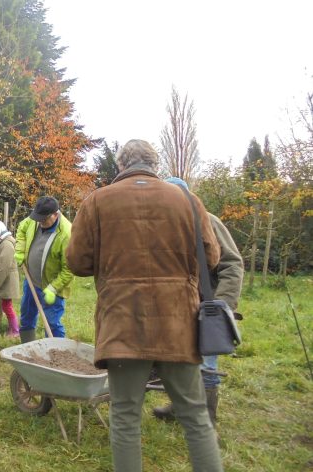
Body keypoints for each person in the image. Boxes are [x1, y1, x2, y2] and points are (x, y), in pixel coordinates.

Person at [66, 139, 223, 472]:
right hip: (178, 324)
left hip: (123, 322)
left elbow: (77, 262)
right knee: (195, 414)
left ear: (120, 166)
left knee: (125, 415)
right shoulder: (187, 201)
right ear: (155, 165)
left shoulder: (96, 202)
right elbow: (211, 257)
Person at [153, 177, 244, 426]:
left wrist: (223, 304)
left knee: (207, 364)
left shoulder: (208, 221)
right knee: (178, 360)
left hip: (207, 308)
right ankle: (178, 407)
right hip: (177, 306)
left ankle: (207, 422)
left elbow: (232, 264)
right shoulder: (166, 224)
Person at [14, 196, 73, 342]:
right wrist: (20, 250)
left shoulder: (67, 234)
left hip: (52, 287)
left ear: (56, 214)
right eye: (38, 219)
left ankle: (55, 355)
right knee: (26, 316)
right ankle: (27, 349)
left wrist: (54, 288)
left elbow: (70, 268)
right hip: (31, 280)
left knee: (52, 323)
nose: (40, 223)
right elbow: (22, 228)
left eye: (44, 220)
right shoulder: (36, 219)